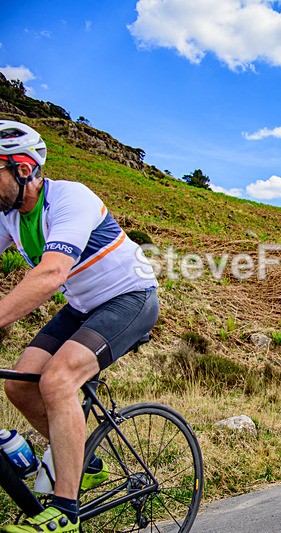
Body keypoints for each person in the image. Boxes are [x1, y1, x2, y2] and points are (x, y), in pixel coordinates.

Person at [0, 120, 159, 532]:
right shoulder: (9, 217)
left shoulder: (71, 198)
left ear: (22, 168)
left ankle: (64, 513)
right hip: (83, 305)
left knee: (57, 380)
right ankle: (84, 459)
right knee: (18, 383)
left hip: (131, 297)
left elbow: (51, 274)